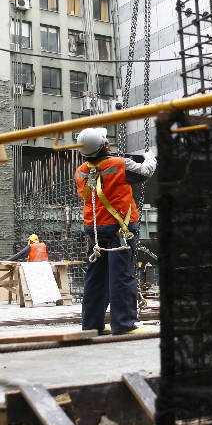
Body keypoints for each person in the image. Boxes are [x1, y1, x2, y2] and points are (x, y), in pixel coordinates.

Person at [74, 127, 156, 334]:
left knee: (95, 279)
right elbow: (146, 171)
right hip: (120, 229)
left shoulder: (81, 171)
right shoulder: (119, 165)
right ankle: (124, 324)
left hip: (94, 231)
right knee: (121, 276)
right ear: (106, 145)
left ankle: (91, 325)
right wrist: (150, 156)